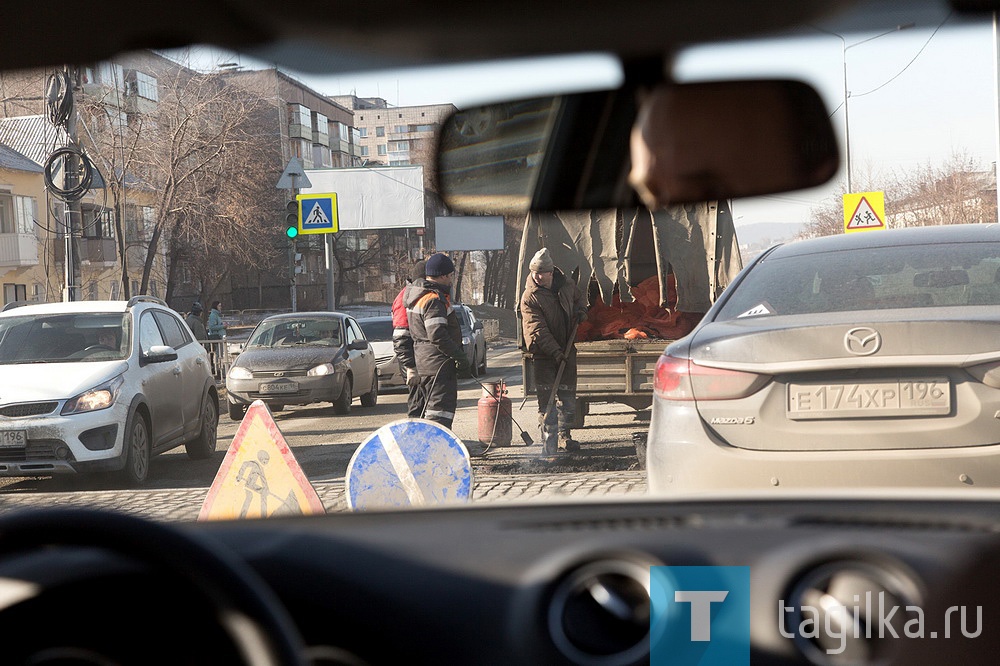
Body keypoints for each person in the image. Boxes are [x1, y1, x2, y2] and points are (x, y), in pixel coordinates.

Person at [520, 247, 588, 456]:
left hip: (567, 349)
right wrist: (556, 353)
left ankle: (564, 436)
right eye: (534, 272)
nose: (537, 276)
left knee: (567, 399)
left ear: (551, 272)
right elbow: (537, 330)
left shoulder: (566, 285)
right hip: (543, 354)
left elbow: (578, 299)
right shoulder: (530, 296)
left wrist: (581, 310)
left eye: (542, 272)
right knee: (547, 400)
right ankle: (549, 444)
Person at [402, 252, 469, 429]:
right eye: (450, 276)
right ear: (443, 275)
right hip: (438, 366)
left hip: (425, 364)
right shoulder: (433, 300)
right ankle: (436, 454)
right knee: (440, 415)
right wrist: (458, 356)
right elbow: (437, 334)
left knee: (428, 413)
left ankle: (428, 452)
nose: (451, 280)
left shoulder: (418, 296)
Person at [392, 259, 426, 418]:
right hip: (414, 359)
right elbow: (400, 336)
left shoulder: (413, 294)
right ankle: (415, 436)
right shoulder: (407, 297)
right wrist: (410, 367)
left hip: (419, 357)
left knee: (424, 401)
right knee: (418, 401)